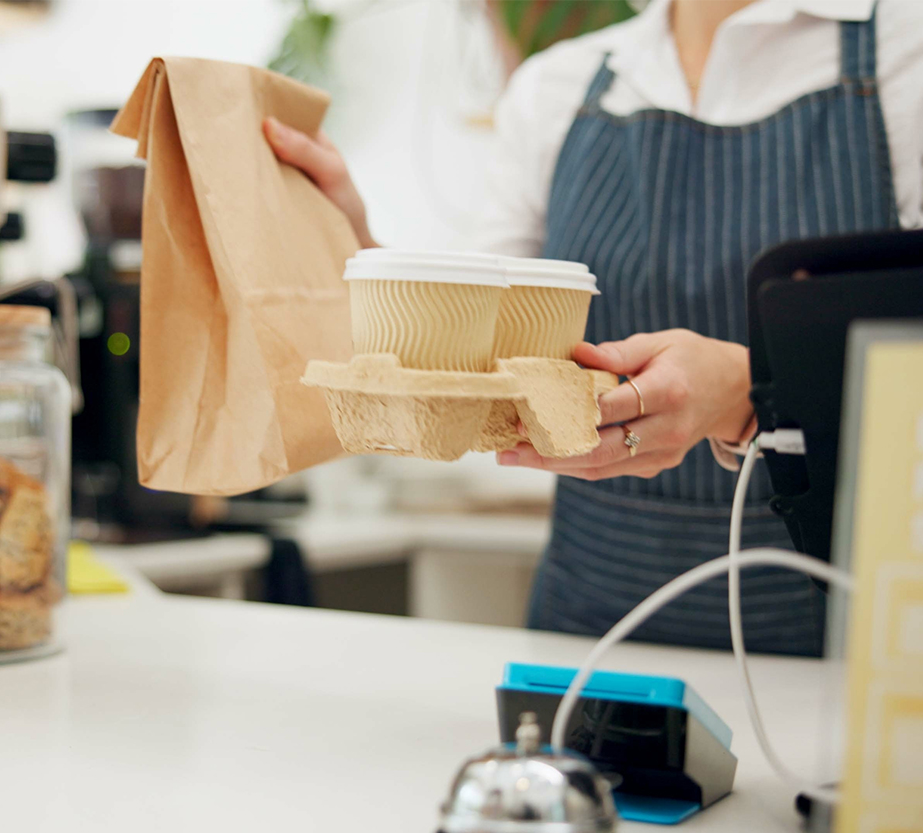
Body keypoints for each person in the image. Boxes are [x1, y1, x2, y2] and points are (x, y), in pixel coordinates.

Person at [264, 0, 923, 656]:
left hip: (840, 636)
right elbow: (482, 343)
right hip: (590, 628)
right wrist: (356, 240)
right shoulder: (559, 87)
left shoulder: (904, 57)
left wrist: (752, 392)